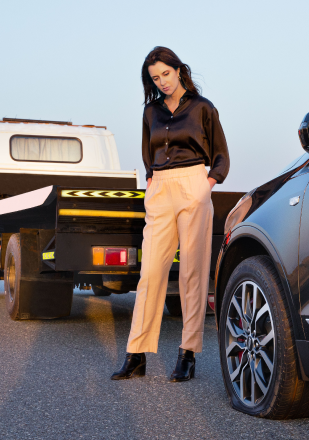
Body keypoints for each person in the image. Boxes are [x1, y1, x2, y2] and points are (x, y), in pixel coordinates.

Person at [112, 47, 230, 382]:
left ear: (179, 70)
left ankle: (187, 354)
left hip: (194, 181)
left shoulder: (203, 108)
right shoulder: (151, 111)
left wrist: (206, 185)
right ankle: (136, 355)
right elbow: (148, 152)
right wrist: (151, 182)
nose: (162, 81)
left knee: (193, 274)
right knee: (150, 274)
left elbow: (221, 156)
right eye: (155, 78)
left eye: (166, 73)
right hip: (160, 189)